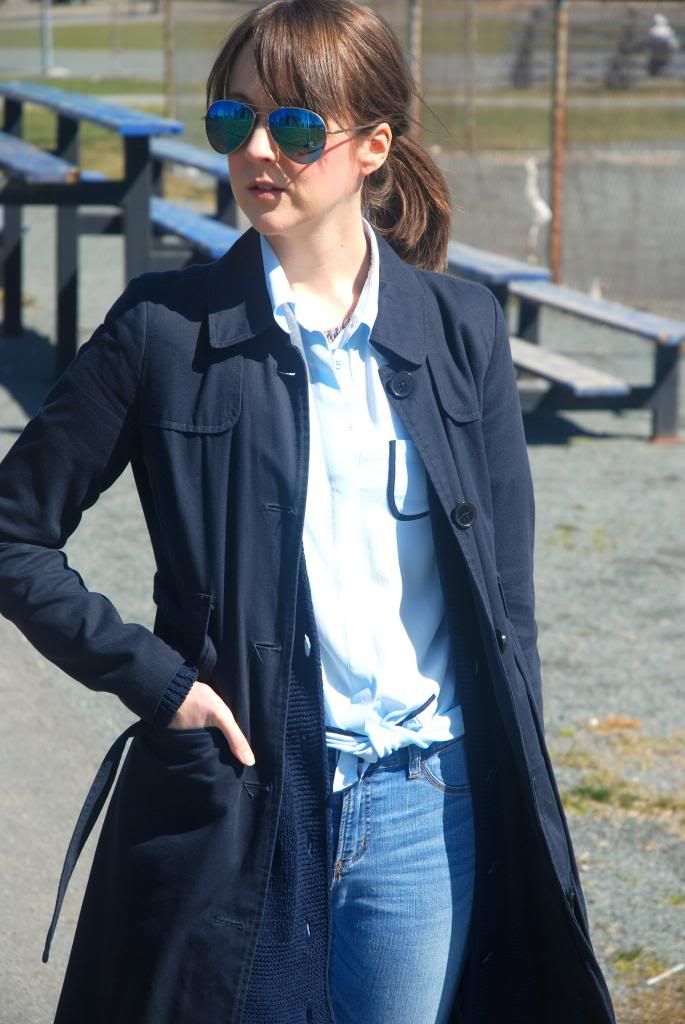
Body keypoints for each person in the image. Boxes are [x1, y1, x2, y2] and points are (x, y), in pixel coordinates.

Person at [0, 1, 617, 1022]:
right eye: (232, 121)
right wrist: (160, 685)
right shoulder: (162, 329)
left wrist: (513, 798)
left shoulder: (461, 330)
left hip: (429, 813)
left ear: (372, 147)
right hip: (236, 803)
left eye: (292, 127)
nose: (257, 151)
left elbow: (508, 613)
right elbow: (14, 530)